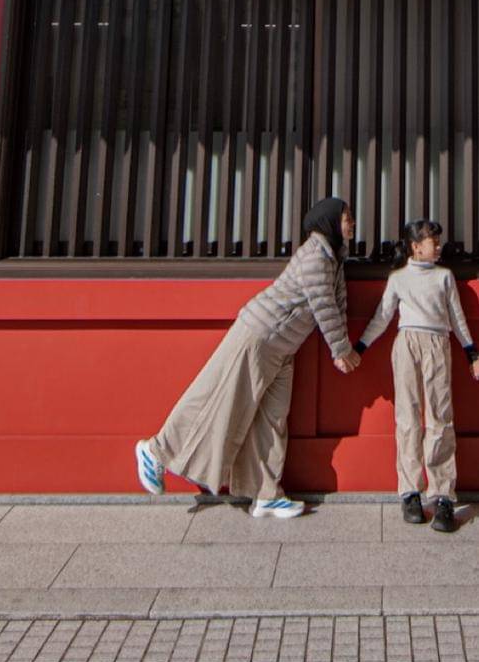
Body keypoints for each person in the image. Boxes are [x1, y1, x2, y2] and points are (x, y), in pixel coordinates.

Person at [135, 197, 360, 518]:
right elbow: (323, 304)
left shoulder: (334, 258)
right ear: (330, 221)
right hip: (259, 335)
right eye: (347, 217)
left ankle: (266, 494)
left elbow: (337, 304)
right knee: (216, 397)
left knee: (272, 418)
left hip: (282, 345)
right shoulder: (315, 256)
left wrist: (343, 345)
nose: (352, 223)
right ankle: (156, 451)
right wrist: (340, 349)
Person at [354, 219, 479, 533]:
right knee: (407, 418)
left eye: (437, 241)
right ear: (415, 246)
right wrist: (361, 346)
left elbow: (457, 317)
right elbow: (383, 316)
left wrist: (472, 353)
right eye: (432, 242)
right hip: (407, 344)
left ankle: (443, 496)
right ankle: (410, 492)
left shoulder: (444, 277)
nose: (438, 246)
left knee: (440, 418)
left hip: (437, 343)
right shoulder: (399, 278)